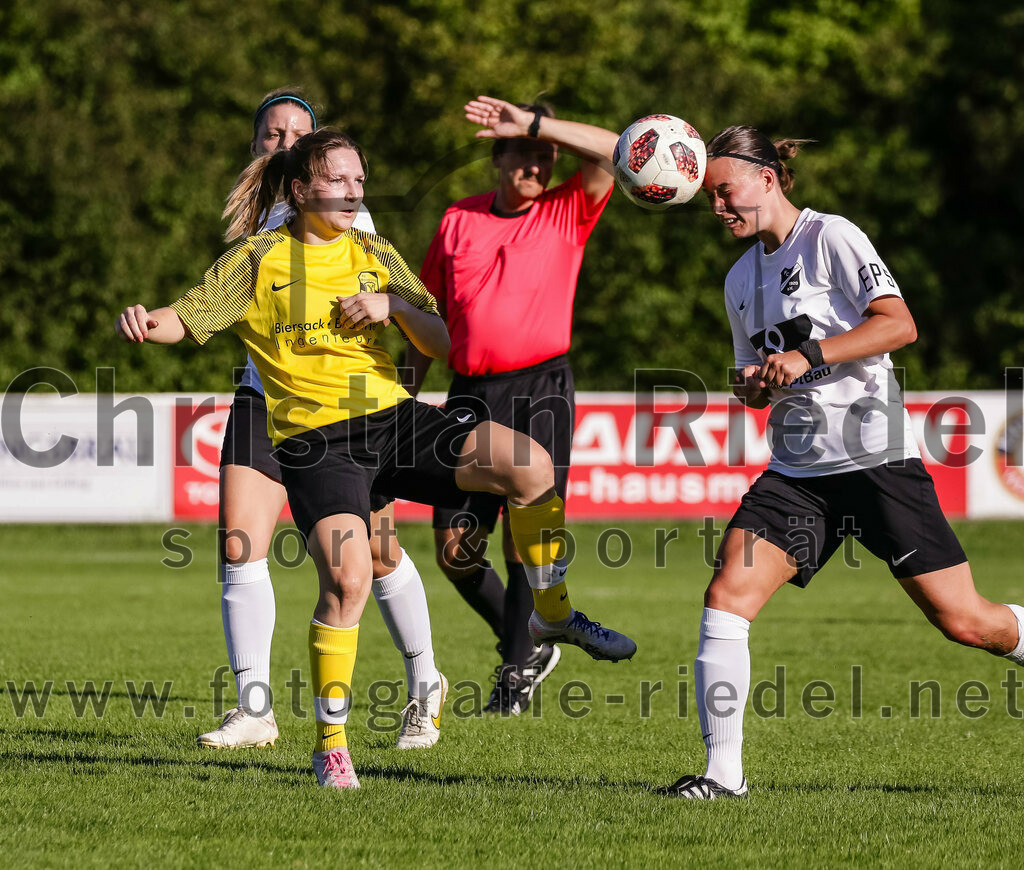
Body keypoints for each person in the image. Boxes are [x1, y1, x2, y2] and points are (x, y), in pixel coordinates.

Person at [117, 128, 636, 788]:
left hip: (394, 421)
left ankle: (552, 614)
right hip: (315, 444)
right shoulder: (258, 260)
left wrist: (391, 303)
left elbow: (440, 338)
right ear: (302, 189)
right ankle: (330, 745)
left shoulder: (372, 249)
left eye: (360, 181)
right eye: (339, 180)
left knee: (529, 467)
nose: (353, 191)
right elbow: (184, 317)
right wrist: (143, 322)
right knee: (350, 583)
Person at [658, 125, 1024, 800]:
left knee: (968, 622)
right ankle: (722, 776)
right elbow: (754, 379)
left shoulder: (832, 236)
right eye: (709, 198)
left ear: (766, 179)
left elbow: (899, 324)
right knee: (726, 596)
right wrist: (754, 387)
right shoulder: (741, 278)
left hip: (876, 459)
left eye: (724, 191)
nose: (717, 208)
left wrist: (810, 355)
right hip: (798, 474)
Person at [192, 89, 445, 753]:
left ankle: (426, 680)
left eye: (295, 133)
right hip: (264, 399)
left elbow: (391, 313)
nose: (281, 141)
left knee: (376, 553)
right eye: (271, 133)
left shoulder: (343, 213)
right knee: (238, 543)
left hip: (346, 409)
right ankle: (254, 710)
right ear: (257, 145)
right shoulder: (256, 220)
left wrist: (401, 392)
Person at [407, 95, 618, 715]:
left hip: (541, 388)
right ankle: (523, 642)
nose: (535, 165)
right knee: (454, 548)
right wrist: (401, 397)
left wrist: (534, 124)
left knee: (524, 541)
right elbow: (426, 318)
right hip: (469, 393)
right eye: (523, 154)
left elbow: (616, 150)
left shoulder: (567, 211)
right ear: (496, 158)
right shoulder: (456, 221)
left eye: (545, 156)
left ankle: (518, 671)